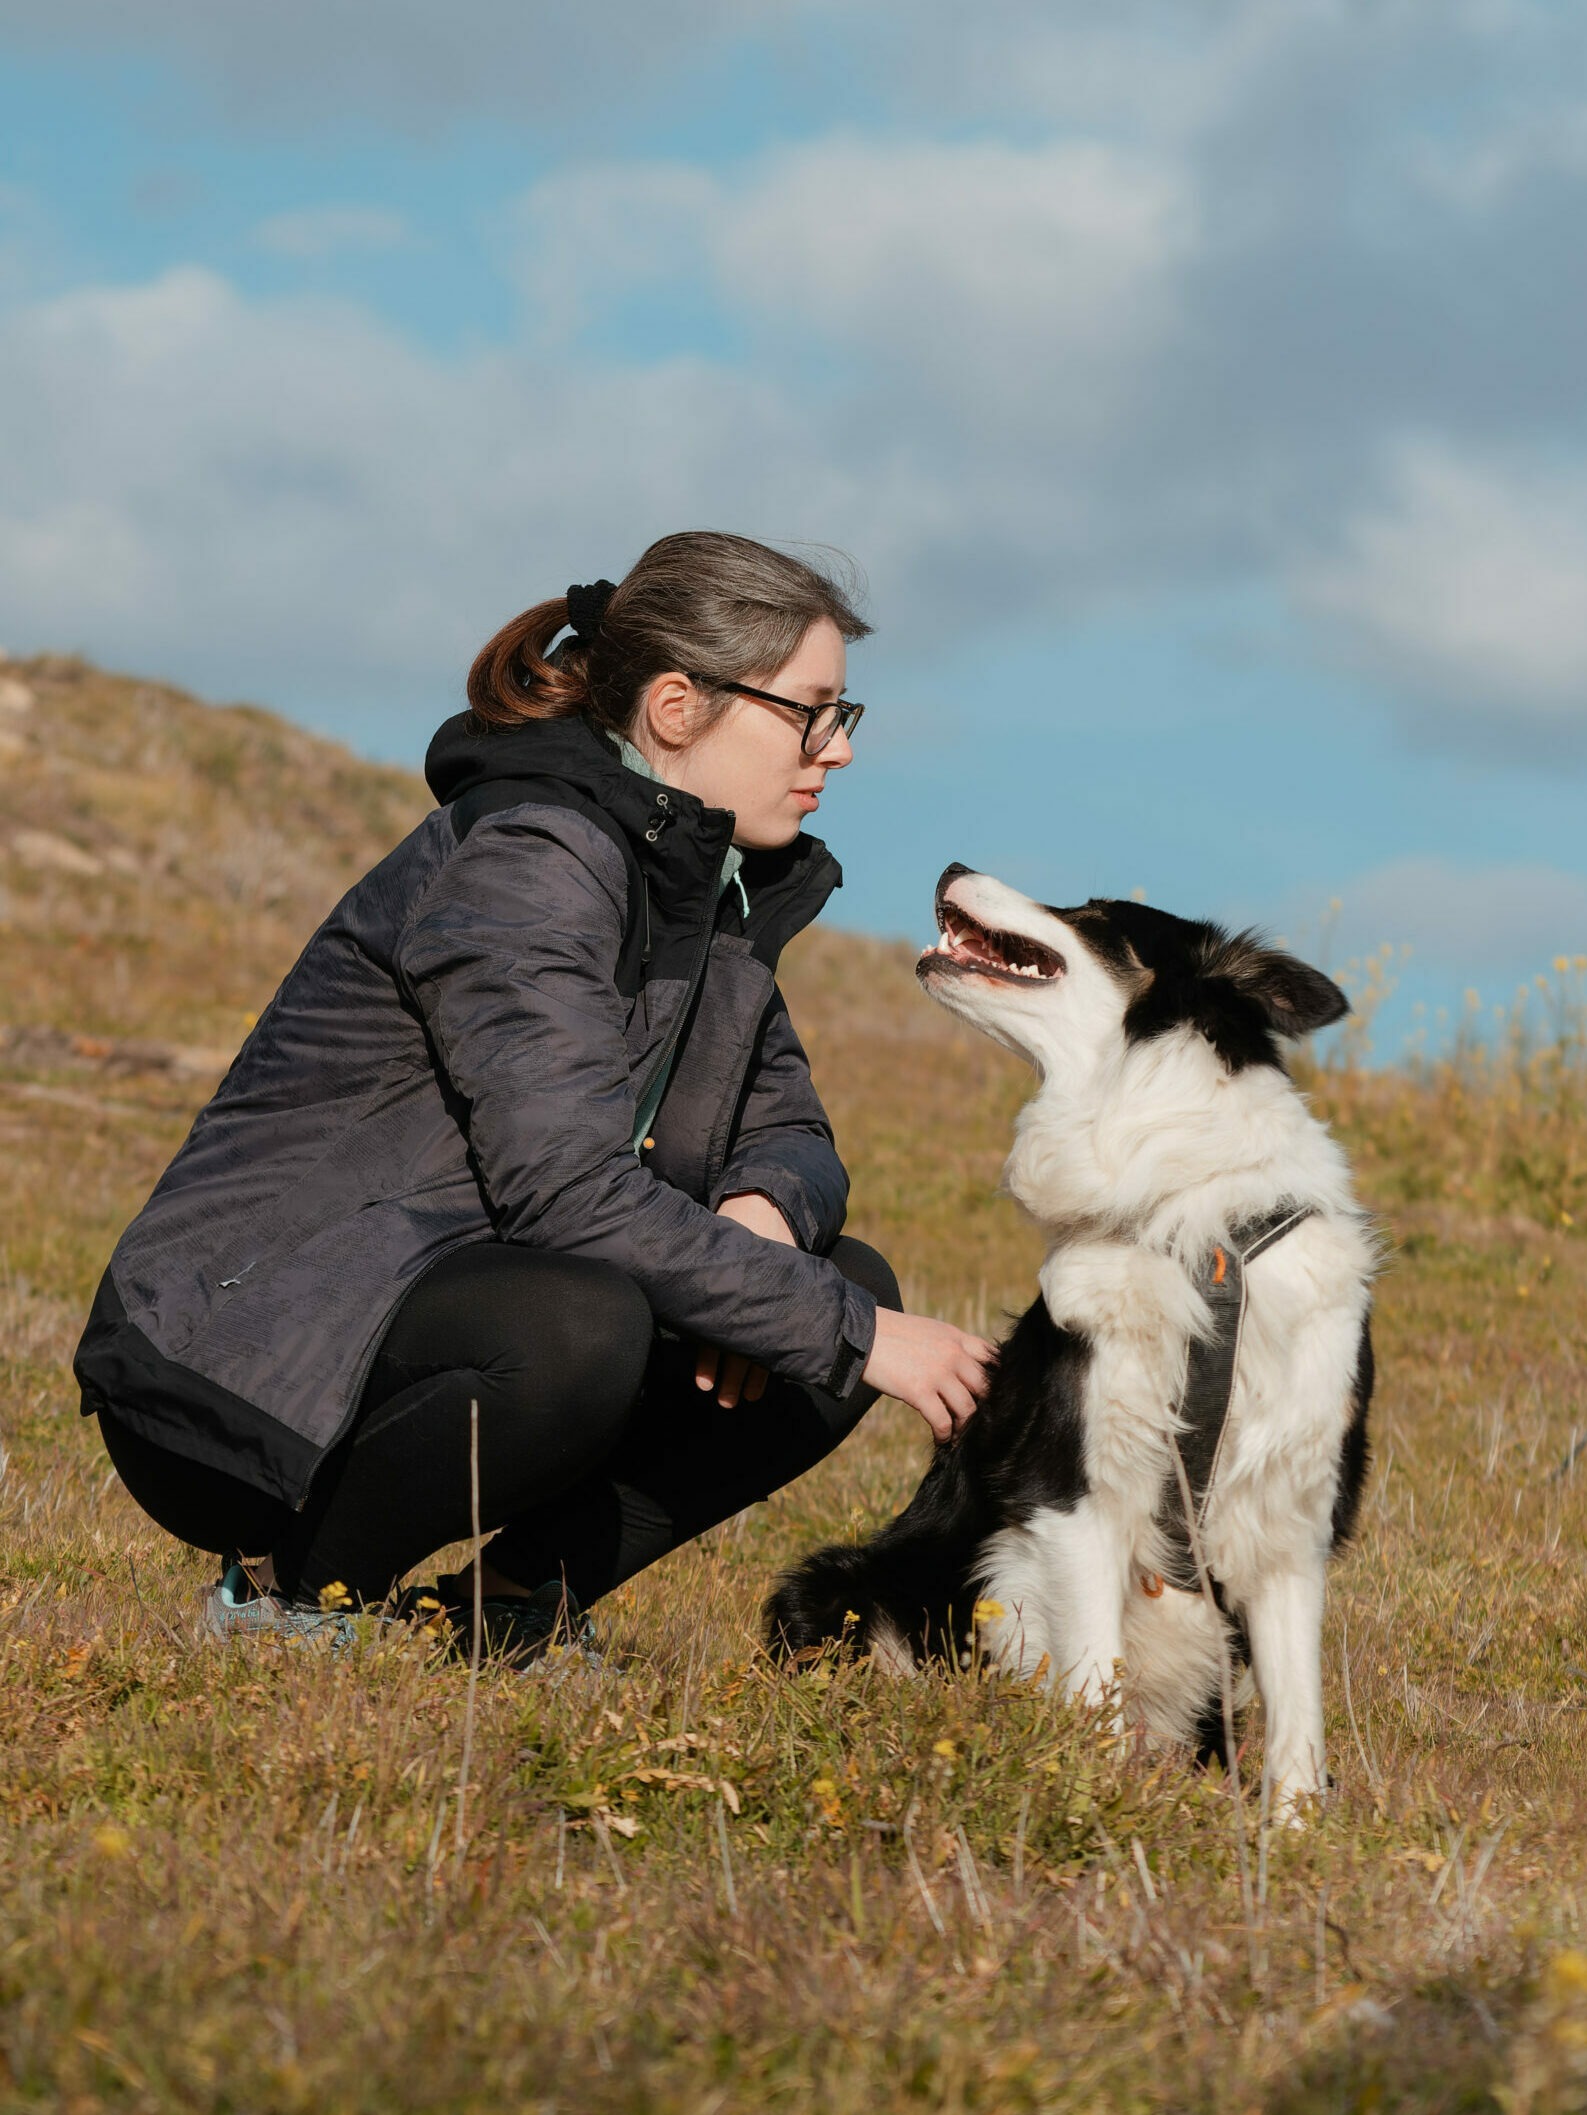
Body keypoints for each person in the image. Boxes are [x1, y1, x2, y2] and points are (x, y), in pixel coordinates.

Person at [74, 532, 995, 1659]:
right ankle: (291, 1593)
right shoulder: (535, 857)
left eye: (842, 714)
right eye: (812, 710)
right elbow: (566, 1192)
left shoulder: (710, 889)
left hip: (444, 1301)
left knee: (839, 1278)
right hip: (238, 1354)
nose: (835, 751)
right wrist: (848, 1331)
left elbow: (793, 1130)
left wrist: (766, 1215)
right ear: (675, 706)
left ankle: (503, 1609)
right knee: (617, 1322)